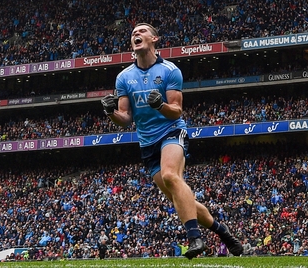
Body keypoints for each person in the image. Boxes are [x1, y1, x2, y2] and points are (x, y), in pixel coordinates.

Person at [101, 23, 242, 259]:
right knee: (180, 197)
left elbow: (176, 111)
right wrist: (111, 112)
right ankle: (222, 231)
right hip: (147, 143)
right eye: (134, 32)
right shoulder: (123, 77)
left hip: (171, 131)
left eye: (142, 31)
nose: (137, 34)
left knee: (170, 176)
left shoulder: (170, 70)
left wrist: (160, 105)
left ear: (155, 39)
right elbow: (125, 118)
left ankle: (194, 239)